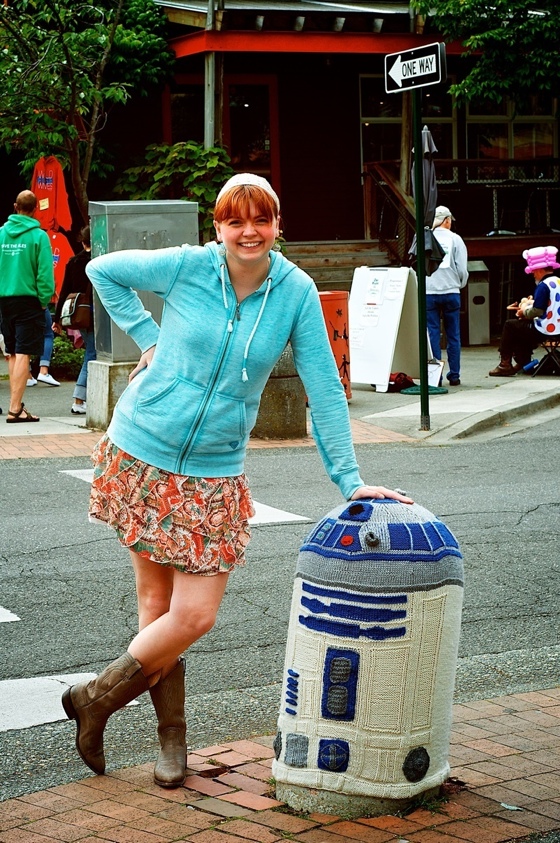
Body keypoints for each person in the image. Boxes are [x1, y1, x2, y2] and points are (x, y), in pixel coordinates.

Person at [61, 173, 414, 789]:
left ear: (278, 224)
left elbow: (324, 386)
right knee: (157, 608)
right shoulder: (189, 266)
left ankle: (94, 699)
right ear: (218, 226)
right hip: (142, 447)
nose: (248, 232)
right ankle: (173, 745)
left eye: (261, 219)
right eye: (234, 220)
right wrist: (152, 338)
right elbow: (103, 270)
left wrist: (349, 480)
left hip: (215, 469)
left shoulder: (296, 293)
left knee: (192, 615)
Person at [0, 190, 55, 422]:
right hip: (29, 300)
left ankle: (16, 405)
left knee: (12, 353)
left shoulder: (1, 234)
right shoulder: (39, 237)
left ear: (15, 206)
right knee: (23, 352)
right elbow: (44, 275)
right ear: (35, 209)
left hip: (5, 300)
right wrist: (44, 301)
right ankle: (14, 408)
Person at [489, 245, 560, 376]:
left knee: (510, 325)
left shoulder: (543, 286)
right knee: (521, 328)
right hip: (558, 328)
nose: (533, 274)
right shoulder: (557, 281)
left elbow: (537, 311)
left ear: (538, 269)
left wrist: (524, 312)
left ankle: (505, 364)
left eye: (533, 271)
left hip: (545, 329)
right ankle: (523, 362)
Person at [426, 205, 469, 387]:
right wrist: (459, 284)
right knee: (453, 335)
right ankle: (455, 375)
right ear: (446, 220)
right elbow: (462, 269)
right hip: (451, 292)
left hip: (429, 292)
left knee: (433, 334)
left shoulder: (425, 238)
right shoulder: (456, 240)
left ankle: (436, 377)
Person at [53, 225, 94, 413]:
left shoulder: (73, 261)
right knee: (92, 354)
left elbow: (64, 291)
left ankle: (83, 398)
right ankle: (78, 399)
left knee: (91, 353)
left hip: (79, 314)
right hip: (95, 315)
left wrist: (57, 319)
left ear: (82, 241)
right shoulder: (97, 262)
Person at [27, 308, 61, 387]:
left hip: (12, 304)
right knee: (47, 335)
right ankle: (44, 371)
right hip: (35, 302)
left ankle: (27, 375)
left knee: (23, 338)